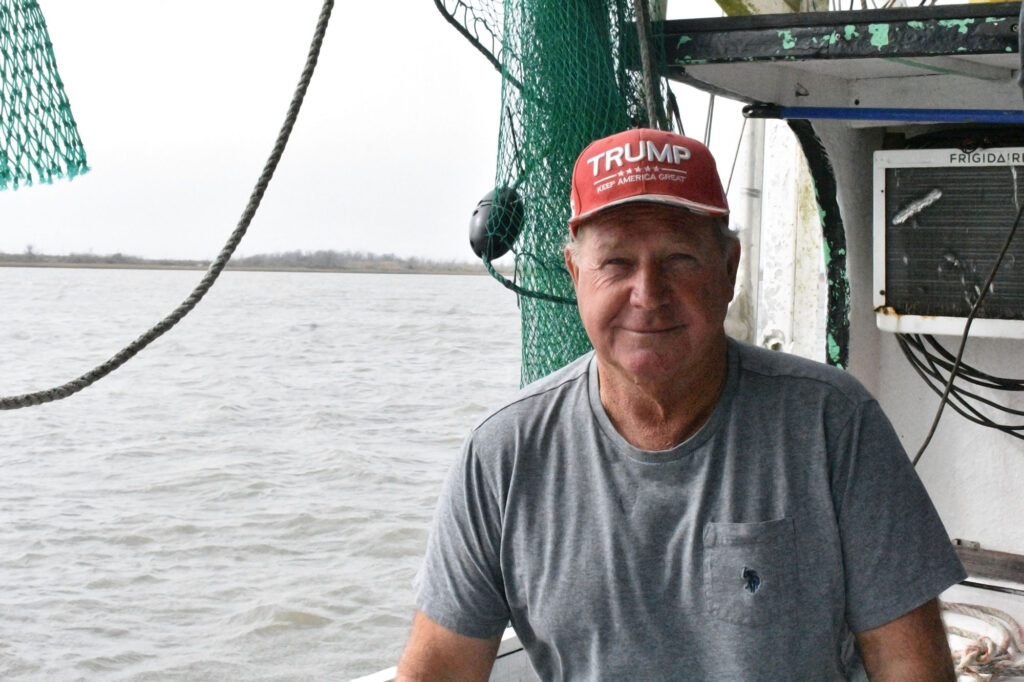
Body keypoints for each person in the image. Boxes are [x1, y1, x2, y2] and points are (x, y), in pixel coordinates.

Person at [396, 128, 965, 680]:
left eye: (679, 259)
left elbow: (909, 664)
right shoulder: (503, 454)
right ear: (575, 274)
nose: (648, 293)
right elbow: (439, 670)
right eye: (616, 262)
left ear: (728, 269)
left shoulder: (833, 423)